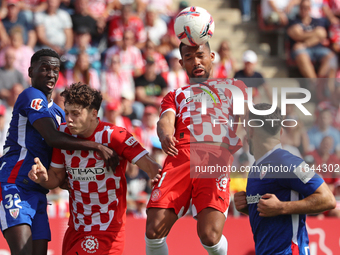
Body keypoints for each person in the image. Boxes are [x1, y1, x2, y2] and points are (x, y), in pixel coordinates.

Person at [0, 49, 118, 255]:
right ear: (30, 71)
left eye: (55, 69)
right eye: (44, 68)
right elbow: (53, 138)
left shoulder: (59, 113)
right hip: (13, 183)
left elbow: (61, 152)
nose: (51, 74)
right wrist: (96, 146)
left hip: (38, 190)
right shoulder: (30, 95)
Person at [28, 82, 161, 255]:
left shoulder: (114, 135)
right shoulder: (63, 134)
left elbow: (152, 168)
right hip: (76, 229)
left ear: (93, 113)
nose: (69, 119)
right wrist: (43, 178)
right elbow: (56, 177)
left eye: (76, 113)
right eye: (67, 112)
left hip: (106, 229)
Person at [145, 42, 248, 255]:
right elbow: (165, 120)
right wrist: (165, 135)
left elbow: (247, 119)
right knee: (154, 230)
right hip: (179, 156)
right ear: (182, 63)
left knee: (210, 237)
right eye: (189, 57)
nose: (196, 62)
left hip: (214, 158)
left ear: (212, 56)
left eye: (200, 55)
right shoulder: (175, 95)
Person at [234, 103, 336, 255]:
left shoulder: (286, 162)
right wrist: (249, 208)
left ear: (252, 130)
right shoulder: (255, 168)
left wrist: (281, 207)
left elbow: (328, 199)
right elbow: (272, 214)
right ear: (281, 131)